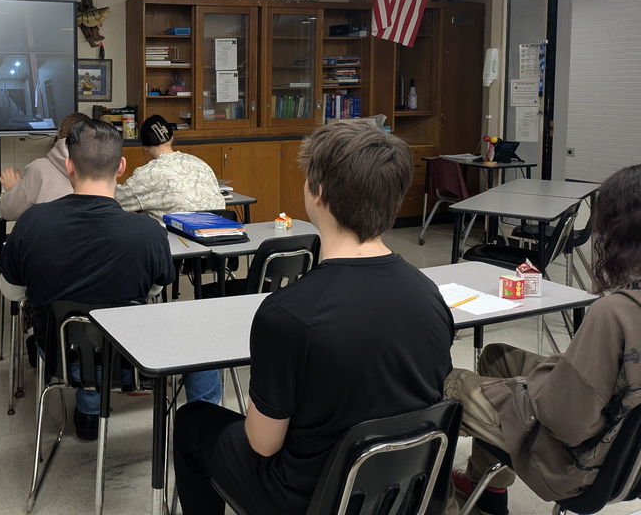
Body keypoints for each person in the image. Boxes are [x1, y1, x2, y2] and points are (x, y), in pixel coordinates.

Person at [173, 120, 454, 515]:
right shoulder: (429, 296)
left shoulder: (288, 313)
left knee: (192, 421)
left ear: (317, 192)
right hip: (403, 493)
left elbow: (262, 444)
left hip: (309, 499)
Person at [0, 119, 222, 441]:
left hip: (61, 357)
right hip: (133, 359)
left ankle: (89, 411)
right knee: (203, 328)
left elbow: (11, 291)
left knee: (84, 326)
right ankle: (204, 433)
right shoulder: (148, 232)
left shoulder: (32, 223)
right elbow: (154, 290)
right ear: (121, 167)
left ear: (70, 166)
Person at [446, 163, 641, 515]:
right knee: (496, 357)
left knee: (452, 382)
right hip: (629, 459)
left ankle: (433, 498)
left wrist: (535, 389)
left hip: (578, 463)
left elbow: (568, 425)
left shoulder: (614, 313)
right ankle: (488, 492)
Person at [115, 114, 224, 222]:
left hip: (179, 232)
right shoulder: (200, 163)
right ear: (172, 138)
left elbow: (115, 200)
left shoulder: (148, 173)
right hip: (219, 227)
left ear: (145, 147)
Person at [0, 112, 89, 221]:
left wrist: (13, 188)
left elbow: (10, 212)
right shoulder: (100, 170)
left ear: (59, 132)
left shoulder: (38, 169)